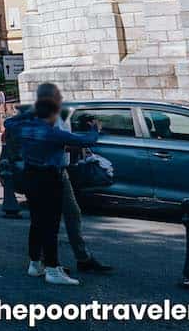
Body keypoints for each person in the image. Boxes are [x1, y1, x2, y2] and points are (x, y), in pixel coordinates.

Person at [9, 82, 113, 275]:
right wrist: (94, 131)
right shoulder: (48, 122)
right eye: (58, 95)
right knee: (54, 220)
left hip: (39, 172)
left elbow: (12, 125)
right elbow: (64, 140)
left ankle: (41, 262)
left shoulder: (35, 121)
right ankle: (53, 265)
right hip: (53, 173)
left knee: (47, 219)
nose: (61, 98)